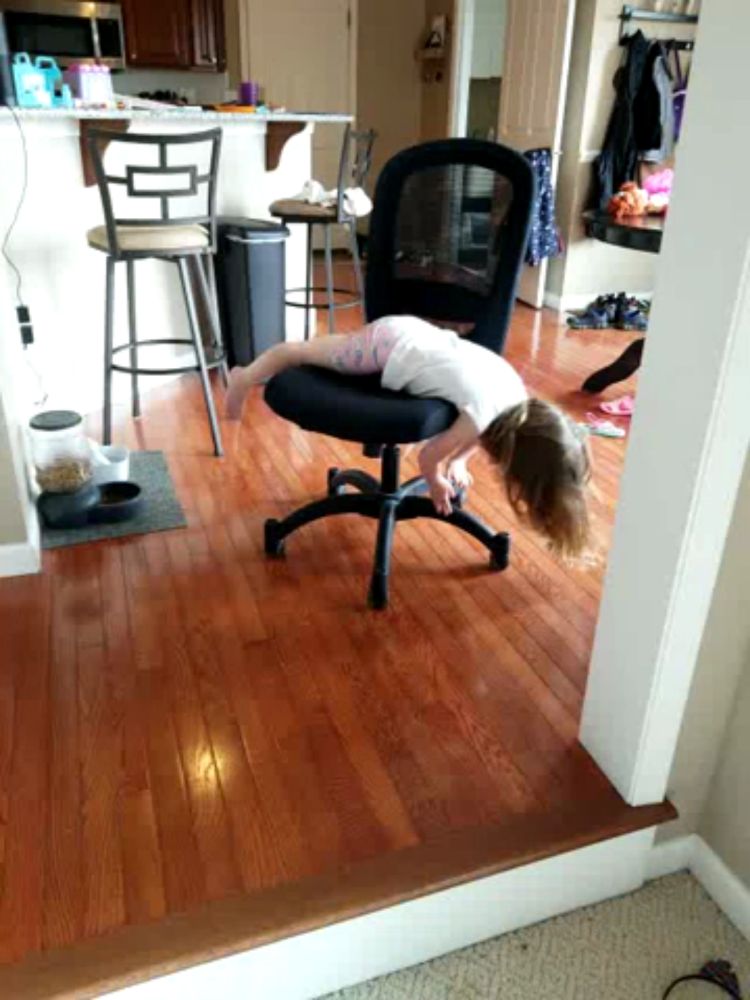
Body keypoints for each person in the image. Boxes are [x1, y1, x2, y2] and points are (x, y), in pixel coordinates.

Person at [226, 315, 591, 560]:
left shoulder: (516, 397)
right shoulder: (483, 417)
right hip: (387, 344)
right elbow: (427, 457)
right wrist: (436, 481)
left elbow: (476, 426)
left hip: (418, 334)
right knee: (301, 353)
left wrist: (459, 461)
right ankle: (245, 377)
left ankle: (247, 376)